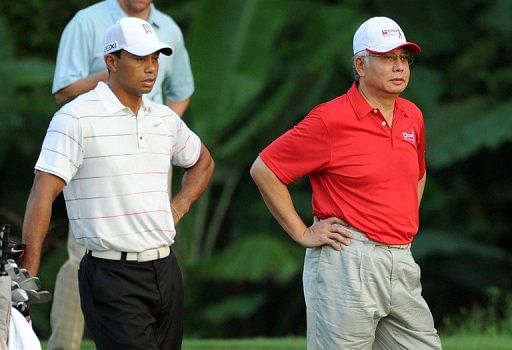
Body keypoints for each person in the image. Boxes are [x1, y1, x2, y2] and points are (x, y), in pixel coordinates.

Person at [22, 17, 214, 349]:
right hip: (110, 275)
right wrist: (29, 272)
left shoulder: (164, 118)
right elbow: (43, 191)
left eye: (155, 58)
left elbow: (203, 162)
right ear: (111, 62)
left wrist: (179, 207)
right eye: (140, 58)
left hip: (165, 270)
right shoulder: (75, 117)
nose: (151, 68)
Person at [250, 16, 442, 350]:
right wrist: (302, 232)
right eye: (386, 58)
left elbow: (418, 172)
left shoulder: (413, 115)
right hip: (347, 261)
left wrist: (401, 219)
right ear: (360, 64)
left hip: (401, 259)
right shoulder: (329, 119)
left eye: (403, 58)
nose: (399, 67)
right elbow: (264, 169)